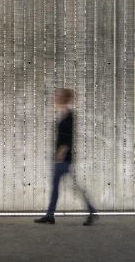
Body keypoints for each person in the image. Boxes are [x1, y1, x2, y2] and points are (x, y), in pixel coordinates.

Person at [34, 88, 98, 226]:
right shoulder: (65, 114)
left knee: (60, 186)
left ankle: (51, 215)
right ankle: (52, 214)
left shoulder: (69, 116)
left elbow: (68, 138)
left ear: (64, 99)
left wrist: (60, 153)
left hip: (63, 158)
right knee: (63, 186)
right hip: (62, 158)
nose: (56, 98)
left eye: (59, 96)